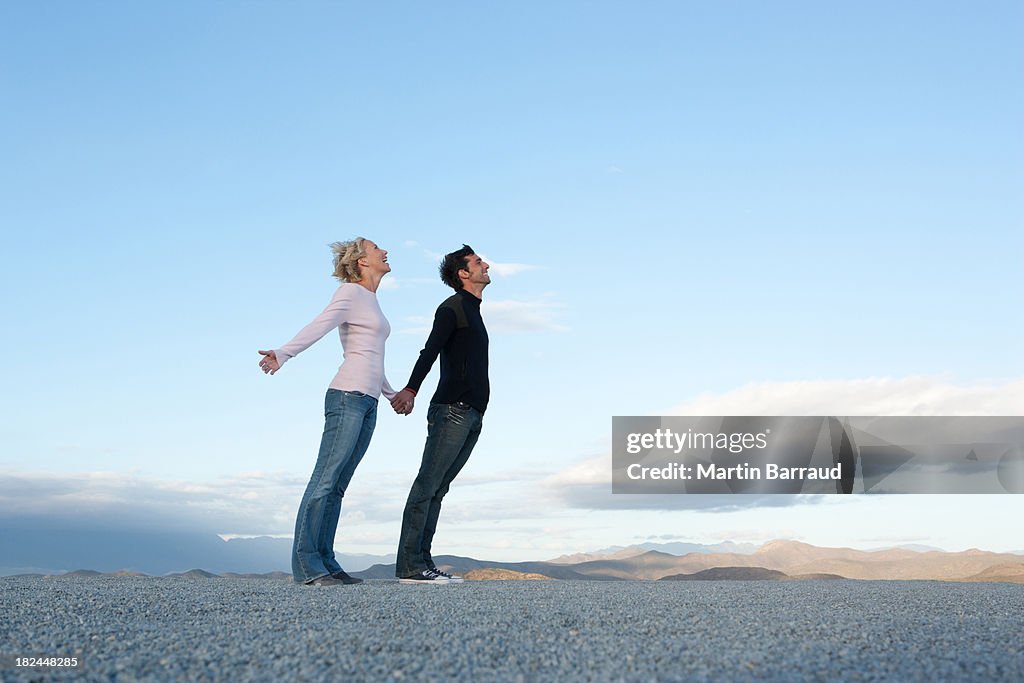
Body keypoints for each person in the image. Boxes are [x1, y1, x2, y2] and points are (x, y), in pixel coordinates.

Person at [258, 238, 407, 586]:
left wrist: (390, 394)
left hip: (367, 400)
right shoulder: (349, 294)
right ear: (361, 262)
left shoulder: (371, 300)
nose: (385, 251)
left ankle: (326, 561)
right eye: (376, 248)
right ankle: (307, 566)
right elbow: (319, 325)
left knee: (338, 486)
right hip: (346, 397)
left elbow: (371, 356)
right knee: (325, 480)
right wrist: (283, 353)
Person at [390, 245, 491, 584]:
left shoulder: (473, 310)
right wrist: (411, 389)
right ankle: (409, 566)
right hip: (452, 410)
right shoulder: (453, 308)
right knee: (427, 485)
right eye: (478, 262)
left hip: (471, 413)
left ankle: (423, 562)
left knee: (439, 488)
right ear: (464, 273)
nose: (485, 265)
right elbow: (430, 350)